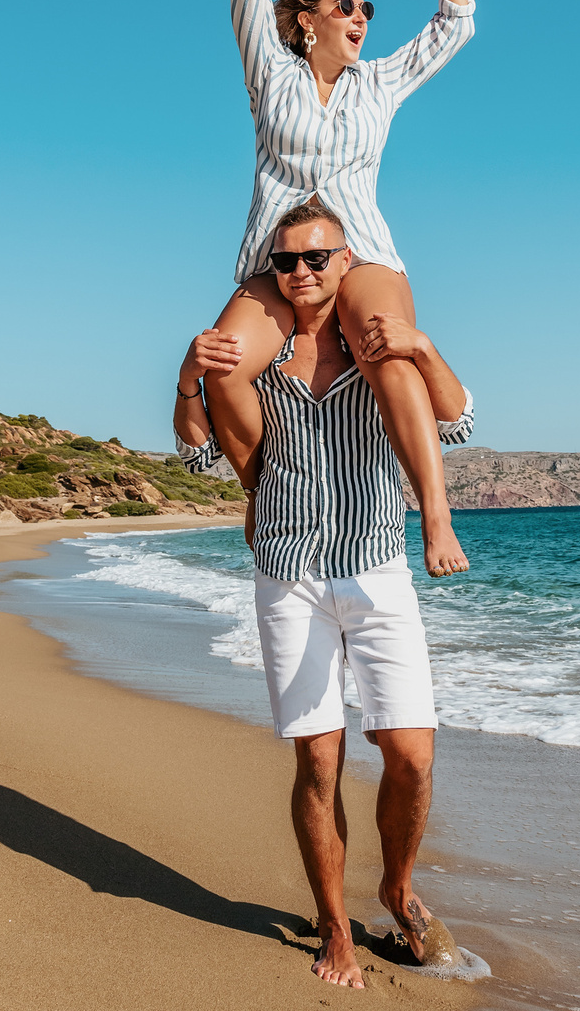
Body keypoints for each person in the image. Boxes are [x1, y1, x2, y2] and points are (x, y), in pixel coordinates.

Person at [174, 199, 477, 988]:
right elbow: (198, 455)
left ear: (347, 262)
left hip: (375, 568)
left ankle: (398, 890)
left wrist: (422, 344)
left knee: (411, 757)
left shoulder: (377, 350)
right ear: (272, 271)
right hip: (289, 574)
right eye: (287, 261)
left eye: (317, 258)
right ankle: (337, 928)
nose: (302, 272)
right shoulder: (257, 361)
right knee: (319, 760)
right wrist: (187, 378)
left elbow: (456, 422)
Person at [189, 0, 475, 555]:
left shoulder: (378, 84)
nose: (360, 19)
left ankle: (434, 516)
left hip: (360, 251)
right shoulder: (272, 74)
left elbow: (453, 27)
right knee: (224, 363)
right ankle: (261, 492)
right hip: (278, 259)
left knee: (386, 349)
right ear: (308, 19)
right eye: (345, 7)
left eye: (366, 10)